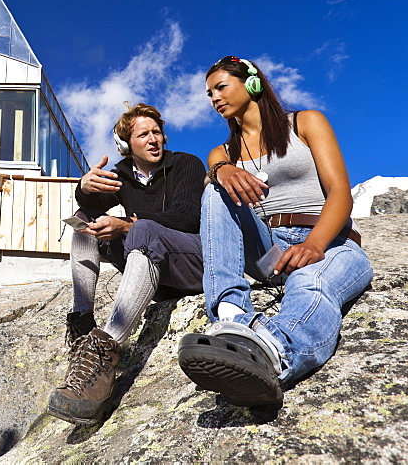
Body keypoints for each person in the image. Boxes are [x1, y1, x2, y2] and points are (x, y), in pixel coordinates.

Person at [178, 56, 373, 407]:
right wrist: (221, 170)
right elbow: (216, 176)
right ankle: (231, 318)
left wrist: (315, 244)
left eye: (221, 87)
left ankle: (273, 353)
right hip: (271, 252)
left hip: (332, 243)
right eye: (208, 94)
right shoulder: (222, 152)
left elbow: (341, 193)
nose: (214, 99)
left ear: (252, 83)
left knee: (309, 282)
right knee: (215, 189)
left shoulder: (306, 122)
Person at [47, 104, 205, 426]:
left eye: (156, 132)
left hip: (191, 261)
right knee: (83, 224)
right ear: (125, 145)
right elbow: (89, 205)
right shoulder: (120, 175)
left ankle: (108, 349)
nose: (153, 139)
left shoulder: (186, 164)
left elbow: (188, 218)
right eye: (143, 134)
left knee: (142, 230)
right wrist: (85, 188)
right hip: (153, 271)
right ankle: (82, 326)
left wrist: (128, 224)